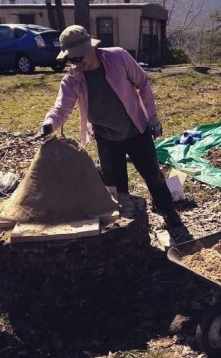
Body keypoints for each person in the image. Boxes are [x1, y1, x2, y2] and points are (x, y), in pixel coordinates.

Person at [39, 25, 182, 226]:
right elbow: (61, 109)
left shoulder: (119, 58)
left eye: (79, 58)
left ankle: (167, 209)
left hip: (136, 130)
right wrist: (48, 124)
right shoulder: (72, 79)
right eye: (71, 60)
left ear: (91, 48)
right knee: (116, 185)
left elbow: (143, 83)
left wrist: (153, 117)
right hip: (106, 137)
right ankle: (127, 226)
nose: (77, 63)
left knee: (153, 175)